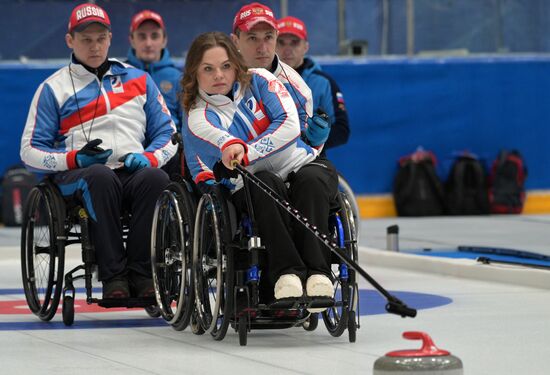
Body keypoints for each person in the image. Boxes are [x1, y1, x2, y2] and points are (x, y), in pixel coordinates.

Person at [20, 3, 177, 299]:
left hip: (131, 171)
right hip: (78, 176)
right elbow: (29, 151)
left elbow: (168, 134)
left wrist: (148, 157)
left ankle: (142, 274)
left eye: (100, 39)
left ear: (110, 39)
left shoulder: (139, 80)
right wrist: (73, 158)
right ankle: (113, 277)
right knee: (99, 177)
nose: (94, 46)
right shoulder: (53, 88)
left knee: (156, 178)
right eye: (85, 39)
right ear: (70, 41)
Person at [181, 31, 338, 306]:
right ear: (194, 73)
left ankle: (318, 274)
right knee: (265, 182)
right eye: (208, 68)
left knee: (312, 180)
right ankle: (286, 273)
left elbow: (289, 125)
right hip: (250, 183)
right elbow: (223, 144)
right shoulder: (197, 117)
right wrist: (232, 149)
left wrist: (248, 151)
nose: (219, 75)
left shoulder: (262, 79)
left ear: (236, 65)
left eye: (226, 66)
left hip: (299, 162)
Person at [230, 2, 331, 151]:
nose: (262, 48)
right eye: (253, 38)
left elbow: (304, 149)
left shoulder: (298, 87)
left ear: (276, 36)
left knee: (316, 174)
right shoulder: (219, 79)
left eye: (268, 37)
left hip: (283, 166)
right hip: (230, 165)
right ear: (235, 41)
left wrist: (313, 139)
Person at [276, 16, 350, 150]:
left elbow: (341, 130)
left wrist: (311, 141)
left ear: (305, 47)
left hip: (310, 159)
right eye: (281, 42)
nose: (287, 49)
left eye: (294, 42)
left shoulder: (324, 83)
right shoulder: (260, 79)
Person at [127, 9, 183, 175]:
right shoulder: (119, 74)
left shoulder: (179, 79)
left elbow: (188, 123)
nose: (148, 43)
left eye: (154, 36)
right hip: (130, 148)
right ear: (131, 40)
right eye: (142, 36)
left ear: (164, 40)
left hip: (170, 151)